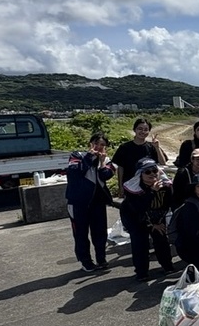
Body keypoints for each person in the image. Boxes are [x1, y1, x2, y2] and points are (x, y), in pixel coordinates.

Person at [65, 132, 115, 272]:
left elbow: (106, 175)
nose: (99, 147)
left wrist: (101, 162)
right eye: (96, 144)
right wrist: (90, 156)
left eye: (102, 145)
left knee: (100, 233)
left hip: (97, 203)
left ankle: (101, 259)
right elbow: (74, 172)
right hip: (77, 203)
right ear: (90, 144)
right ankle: (86, 262)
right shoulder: (77, 156)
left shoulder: (107, 160)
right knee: (80, 234)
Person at [120, 158, 174, 280]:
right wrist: (151, 191)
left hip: (157, 215)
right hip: (134, 218)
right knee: (140, 243)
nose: (152, 174)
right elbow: (137, 209)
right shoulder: (133, 189)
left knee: (161, 239)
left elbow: (167, 203)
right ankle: (141, 272)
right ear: (140, 174)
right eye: (147, 172)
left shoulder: (166, 185)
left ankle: (168, 266)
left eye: (154, 170)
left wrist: (159, 222)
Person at [112, 118, 166, 191]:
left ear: (149, 131)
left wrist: (157, 147)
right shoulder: (124, 147)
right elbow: (120, 168)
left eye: (146, 129)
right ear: (134, 130)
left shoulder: (152, 147)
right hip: (129, 186)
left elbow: (163, 162)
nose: (143, 131)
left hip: (149, 186)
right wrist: (120, 187)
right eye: (140, 129)